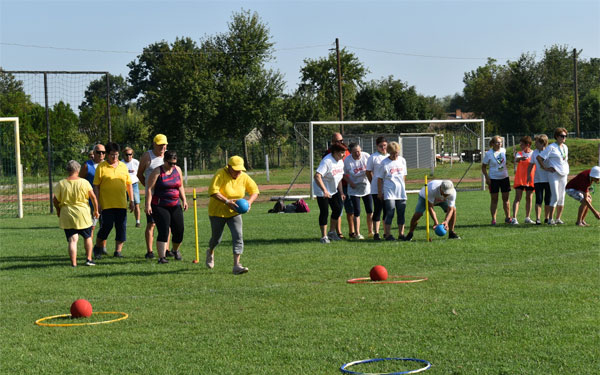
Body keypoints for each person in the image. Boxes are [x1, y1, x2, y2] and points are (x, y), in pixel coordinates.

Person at [206, 156, 259, 274]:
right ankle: (210, 251)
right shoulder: (220, 174)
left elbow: (255, 190)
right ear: (229, 167)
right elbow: (213, 192)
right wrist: (227, 201)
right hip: (217, 212)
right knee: (216, 239)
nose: (238, 172)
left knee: (238, 236)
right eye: (235, 170)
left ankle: (236, 265)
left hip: (235, 212)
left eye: (240, 170)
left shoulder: (244, 177)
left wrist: (249, 202)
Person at [53, 160, 99, 267]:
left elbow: (55, 200)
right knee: (87, 237)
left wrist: (58, 210)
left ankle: (74, 263)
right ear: (78, 170)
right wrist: (96, 210)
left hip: (67, 213)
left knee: (72, 239)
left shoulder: (61, 183)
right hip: (82, 213)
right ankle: (89, 259)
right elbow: (93, 197)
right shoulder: (84, 182)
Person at [92, 142, 134, 259]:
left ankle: (118, 252)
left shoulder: (123, 166)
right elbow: (96, 186)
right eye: (112, 154)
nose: (114, 157)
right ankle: (98, 247)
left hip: (121, 203)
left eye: (116, 154)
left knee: (121, 227)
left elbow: (129, 184)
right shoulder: (101, 167)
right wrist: (98, 203)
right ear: (107, 154)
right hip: (107, 204)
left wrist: (132, 200)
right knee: (106, 226)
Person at [145, 151, 188, 264]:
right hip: (160, 205)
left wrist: (184, 200)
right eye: (170, 163)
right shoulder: (157, 171)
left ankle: (175, 250)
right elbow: (150, 189)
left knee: (179, 230)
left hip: (175, 204)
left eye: (174, 163)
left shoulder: (177, 170)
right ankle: (162, 257)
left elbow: (180, 186)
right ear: (164, 161)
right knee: (163, 230)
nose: (172, 166)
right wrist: (148, 204)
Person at [137, 134, 169, 259]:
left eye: (164, 144)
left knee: (167, 224)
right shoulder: (147, 156)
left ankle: (166, 249)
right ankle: (149, 251)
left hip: (166, 196)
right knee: (152, 223)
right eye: (160, 144)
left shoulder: (168, 155)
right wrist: (148, 187)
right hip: (152, 197)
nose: (162, 147)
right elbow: (140, 174)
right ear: (154, 144)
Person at [313, 143, 347, 243]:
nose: (343, 155)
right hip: (322, 190)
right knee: (324, 212)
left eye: (344, 152)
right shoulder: (327, 161)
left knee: (338, 208)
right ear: (335, 152)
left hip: (333, 190)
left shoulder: (340, 162)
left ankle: (332, 233)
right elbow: (317, 176)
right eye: (341, 153)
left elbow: (339, 178)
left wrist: (341, 192)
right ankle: (324, 237)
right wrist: (324, 191)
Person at [376, 141, 407, 241]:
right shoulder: (384, 163)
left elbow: (404, 176)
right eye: (393, 153)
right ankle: (388, 234)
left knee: (401, 213)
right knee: (390, 212)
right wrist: (380, 192)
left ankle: (401, 234)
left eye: (396, 153)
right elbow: (380, 179)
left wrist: (403, 186)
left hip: (401, 192)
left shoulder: (402, 160)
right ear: (389, 152)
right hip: (389, 192)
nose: (395, 155)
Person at [537, 127, 569, 225]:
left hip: (564, 174)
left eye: (565, 136)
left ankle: (558, 218)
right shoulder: (551, 147)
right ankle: (550, 219)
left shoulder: (565, 147)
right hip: (553, 174)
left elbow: (564, 160)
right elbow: (539, 157)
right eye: (561, 136)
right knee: (555, 196)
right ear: (556, 136)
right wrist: (545, 168)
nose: (563, 138)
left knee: (562, 197)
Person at [324, 132, 353, 238]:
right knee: (338, 210)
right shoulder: (328, 155)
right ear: (332, 142)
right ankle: (337, 232)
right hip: (333, 186)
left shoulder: (346, 152)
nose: (340, 143)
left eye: (341, 141)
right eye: (337, 141)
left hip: (345, 185)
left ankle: (352, 232)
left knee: (350, 209)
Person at [343, 143, 372, 240]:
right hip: (354, 188)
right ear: (351, 152)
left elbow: (372, 170)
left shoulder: (367, 156)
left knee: (370, 210)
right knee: (357, 211)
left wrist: (372, 181)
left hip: (366, 187)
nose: (357, 154)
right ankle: (357, 233)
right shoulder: (347, 160)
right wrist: (350, 182)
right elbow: (343, 174)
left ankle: (371, 231)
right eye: (355, 152)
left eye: (359, 151)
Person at [482, 135, 511, 225]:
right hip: (493, 179)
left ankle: (508, 218)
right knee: (494, 199)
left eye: (500, 142)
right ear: (493, 144)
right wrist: (487, 177)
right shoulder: (489, 153)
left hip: (504, 178)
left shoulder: (503, 150)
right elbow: (483, 167)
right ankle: (493, 219)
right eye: (497, 142)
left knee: (506, 199)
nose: (499, 144)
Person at [79, 143, 105, 241]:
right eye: (98, 152)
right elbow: (80, 181)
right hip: (91, 200)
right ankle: (89, 248)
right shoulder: (87, 166)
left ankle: (102, 248)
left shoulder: (107, 165)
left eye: (103, 152)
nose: (101, 154)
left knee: (104, 226)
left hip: (105, 200)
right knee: (92, 225)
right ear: (94, 153)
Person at [366, 136, 388, 240]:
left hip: (388, 188)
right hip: (376, 188)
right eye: (381, 146)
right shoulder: (373, 157)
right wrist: (373, 182)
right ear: (377, 146)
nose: (383, 148)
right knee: (378, 209)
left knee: (387, 210)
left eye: (385, 145)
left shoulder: (390, 156)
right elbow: (368, 171)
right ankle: (376, 233)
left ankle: (386, 232)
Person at [527, 134, 551, 225]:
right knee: (539, 199)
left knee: (548, 199)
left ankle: (547, 217)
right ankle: (538, 218)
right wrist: (528, 175)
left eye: (537, 142)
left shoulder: (549, 151)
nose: (535, 143)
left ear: (543, 143)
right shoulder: (535, 152)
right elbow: (531, 164)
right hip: (538, 179)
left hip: (548, 179)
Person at [510, 136, 535, 224]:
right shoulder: (519, 153)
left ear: (528, 144)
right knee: (518, 197)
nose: (520, 146)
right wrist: (520, 159)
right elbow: (516, 159)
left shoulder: (533, 153)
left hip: (530, 179)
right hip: (520, 179)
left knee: (529, 198)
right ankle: (514, 218)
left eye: (522, 144)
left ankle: (527, 217)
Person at [122, 147, 141, 227]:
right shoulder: (121, 164)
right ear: (124, 155)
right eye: (127, 154)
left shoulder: (136, 162)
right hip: (123, 185)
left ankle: (138, 222)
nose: (129, 156)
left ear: (132, 155)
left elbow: (140, 172)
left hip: (134, 185)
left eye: (130, 154)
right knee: (123, 205)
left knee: (136, 203)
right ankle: (123, 222)